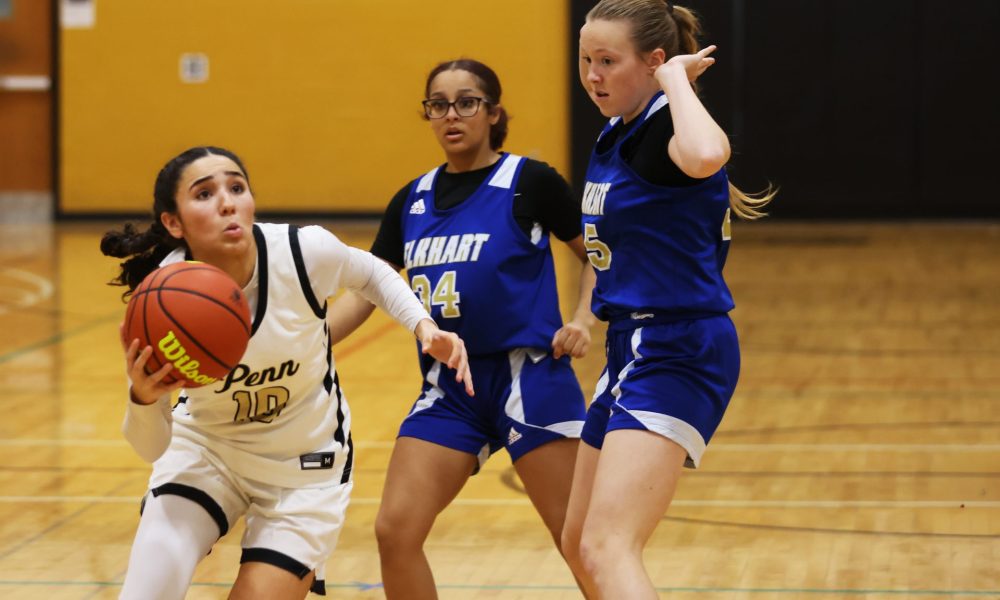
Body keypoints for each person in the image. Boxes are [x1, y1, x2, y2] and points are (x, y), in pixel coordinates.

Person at [100, 146, 472, 600]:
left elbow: (372, 273)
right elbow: (151, 447)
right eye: (204, 194)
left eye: (237, 187)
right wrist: (142, 398)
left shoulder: (301, 252)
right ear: (173, 223)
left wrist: (423, 325)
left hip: (303, 468)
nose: (227, 202)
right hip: (206, 453)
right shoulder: (162, 298)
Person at [326, 59, 596, 598]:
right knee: (394, 532)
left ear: (493, 113)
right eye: (438, 105)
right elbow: (370, 288)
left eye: (467, 102)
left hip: (529, 377)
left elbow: (597, 255)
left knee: (580, 540)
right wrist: (303, 342)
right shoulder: (411, 199)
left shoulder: (529, 182)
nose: (452, 115)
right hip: (450, 386)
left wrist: (584, 319)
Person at [561, 2, 775, 598]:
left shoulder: (665, 128)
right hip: (630, 345)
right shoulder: (619, 131)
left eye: (608, 61)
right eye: (586, 60)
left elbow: (707, 155)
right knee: (579, 541)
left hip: (678, 345)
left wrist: (675, 77)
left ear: (652, 61)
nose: (593, 75)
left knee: (607, 545)